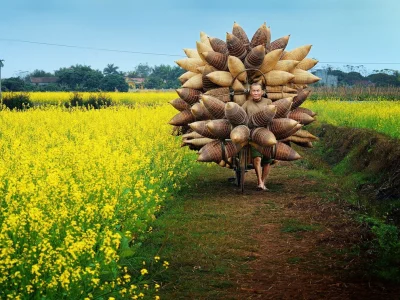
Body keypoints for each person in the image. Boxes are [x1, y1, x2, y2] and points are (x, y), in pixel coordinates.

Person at [242, 83, 274, 191]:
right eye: (254, 91)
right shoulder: (246, 104)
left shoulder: (268, 102)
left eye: (258, 91)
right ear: (250, 92)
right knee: (257, 159)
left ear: (262, 92)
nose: (256, 93)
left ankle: (263, 182)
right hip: (253, 135)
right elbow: (241, 117)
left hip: (267, 134)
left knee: (267, 161)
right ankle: (259, 181)